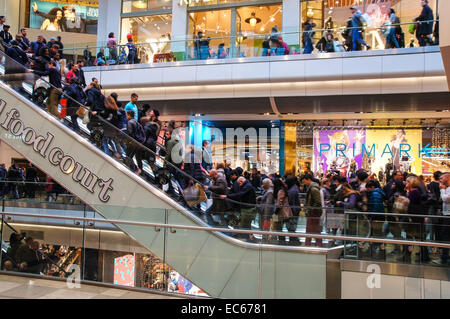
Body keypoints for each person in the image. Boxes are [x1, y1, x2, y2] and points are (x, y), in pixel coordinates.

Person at [222, 176, 257, 241]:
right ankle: (247, 238)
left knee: (245, 225)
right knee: (246, 225)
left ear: (241, 181)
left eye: (239, 184)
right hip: (247, 209)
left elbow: (240, 194)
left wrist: (228, 196)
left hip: (248, 210)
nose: (239, 186)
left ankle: (246, 239)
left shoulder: (247, 186)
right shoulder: (247, 185)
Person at [434, 173, 450, 264]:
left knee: (445, 236)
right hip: (446, 215)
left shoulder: (446, 189)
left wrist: (442, 190)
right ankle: (445, 256)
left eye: (442, 178)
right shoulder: (447, 189)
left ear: (447, 178)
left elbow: (445, 199)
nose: (440, 180)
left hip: (448, 216)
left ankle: (444, 258)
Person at [303, 174, 323, 247]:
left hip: (313, 213)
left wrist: (310, 209)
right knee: (312, 229)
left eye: (304, 180)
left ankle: (311, 244)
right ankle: (310, 244)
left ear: (308, 179)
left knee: (313, 229)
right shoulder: (312, 188)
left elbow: (318, 202)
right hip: (313, 212)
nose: (304, 182)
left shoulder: (313, 189)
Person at [286, 177, 300, 245]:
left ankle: (293, 241)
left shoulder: (292, 191)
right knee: (292, 227)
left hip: (292, 212)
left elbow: (291, 203)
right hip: (295, 211)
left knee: (291, 227)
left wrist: (291, 213)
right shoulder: (295, 188)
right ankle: (294, 240)